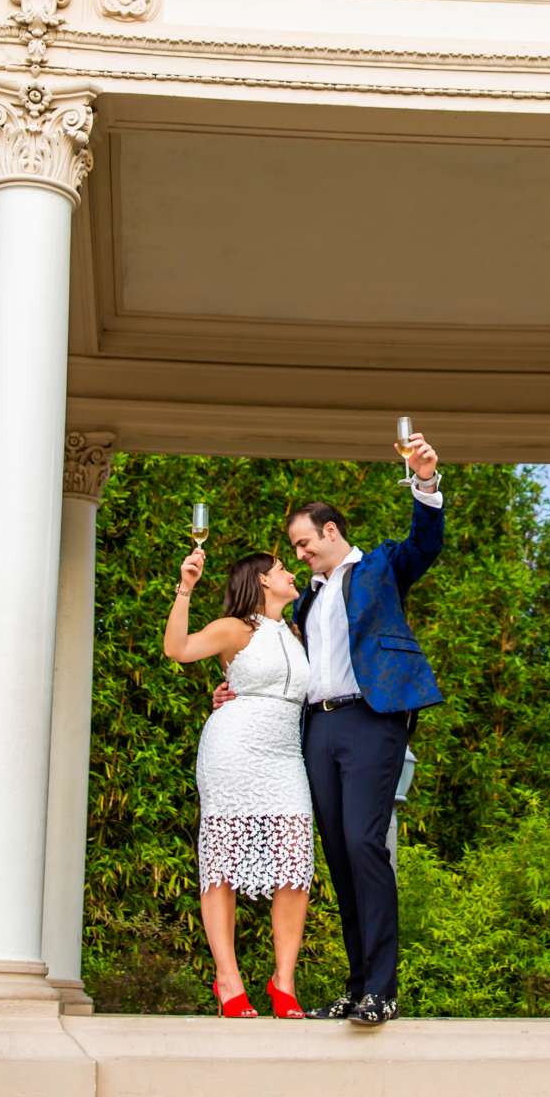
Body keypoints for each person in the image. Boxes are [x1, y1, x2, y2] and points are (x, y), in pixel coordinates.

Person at [220, 433, 444, 1025]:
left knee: (367, 844)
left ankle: (383, 990)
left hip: (373, 718)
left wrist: (424, 482)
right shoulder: (303, 603)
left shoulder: (381, 567)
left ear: (332, 532)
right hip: (317, 731)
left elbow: (426, 543)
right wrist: (234, 690)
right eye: (293, 549)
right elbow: (279, 668)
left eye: (304, 544)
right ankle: (357, 986)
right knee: (340, 855)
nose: (299, 556)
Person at [163, 546, 312, 1019]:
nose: (292, 573)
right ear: (263, 580)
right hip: (233, 754)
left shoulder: (295, 631)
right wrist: (185, 588)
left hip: (286, 756)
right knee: (222, 864)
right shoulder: (235, 627)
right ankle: (228, 981)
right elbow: (178, 649)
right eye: (284, 568)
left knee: (295, 861)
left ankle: (283, 981)